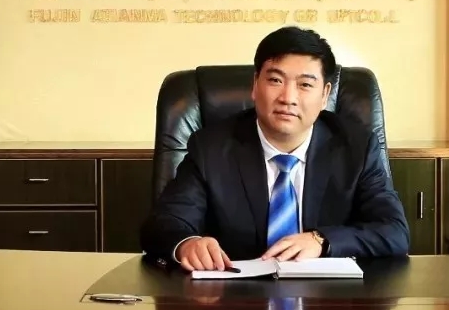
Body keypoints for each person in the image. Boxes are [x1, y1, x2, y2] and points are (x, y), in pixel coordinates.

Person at [140, 26, 410, 271]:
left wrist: (322, 240)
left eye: (305, 85)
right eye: (275, 80)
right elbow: (163, 224)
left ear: (325, 95)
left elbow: (394, 231)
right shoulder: (211, 148)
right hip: (233, 299)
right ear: (255, 85)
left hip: (329, 300)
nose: (288, 98)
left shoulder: (356, 148)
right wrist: (187, 244)